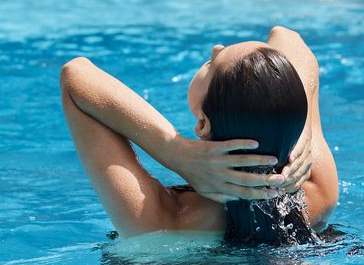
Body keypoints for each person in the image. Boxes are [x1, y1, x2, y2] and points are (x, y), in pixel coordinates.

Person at [60, 26, 338, 245]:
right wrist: (302, 131)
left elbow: (75, 76)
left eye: (212, 63)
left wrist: (172, 149)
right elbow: (285, 36)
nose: (216, 48)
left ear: (203, 123)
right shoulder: (317, 197)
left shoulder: (162, 220)